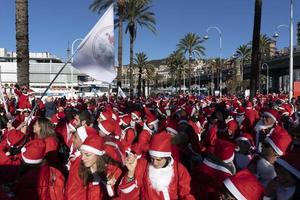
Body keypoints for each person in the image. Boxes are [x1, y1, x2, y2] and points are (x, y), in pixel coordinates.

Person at [118, 131, 195, 200]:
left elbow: (186, 194)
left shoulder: (179, 169)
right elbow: (126, 197)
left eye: (159, 159)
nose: (154, 163)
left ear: (167, 157)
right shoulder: (143, 166)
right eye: (152, 159)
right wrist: (131, 173)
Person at [65, 135, 122, 200]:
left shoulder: (113, 171)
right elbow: (72, 195)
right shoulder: (78, 167)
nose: (83, 158)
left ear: (98, 155)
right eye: (81, 153)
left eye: (87, 154)